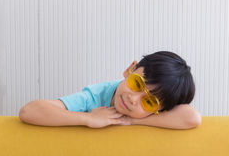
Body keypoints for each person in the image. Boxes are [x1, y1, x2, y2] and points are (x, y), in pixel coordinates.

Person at [19, 51, 201, 129]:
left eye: (149, 101)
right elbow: (29, 111)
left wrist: (130, 121)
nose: (133, 99)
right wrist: (88, 118)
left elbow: (191, 117)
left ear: (159, 110)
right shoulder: (95, 97)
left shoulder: (147, 115)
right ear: (130, 69)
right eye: (137, 83)